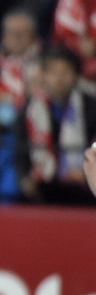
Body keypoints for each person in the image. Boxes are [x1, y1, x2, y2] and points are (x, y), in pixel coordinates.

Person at [23, 48, 96, 206]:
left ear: (76, 75)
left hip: (82, 184)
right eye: (53, 72)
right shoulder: (30, 109)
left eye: (65, 72)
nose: (59, 78)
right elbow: (20, 147)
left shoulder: (91, 107)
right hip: (43, 185)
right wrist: (23, 176)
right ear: (44, 76)